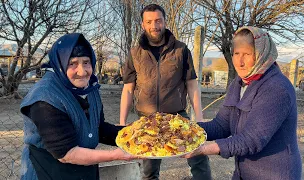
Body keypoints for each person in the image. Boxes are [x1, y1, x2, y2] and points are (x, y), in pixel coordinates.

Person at [184, 26, 302, 180]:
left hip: (275, 174)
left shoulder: (277, 88)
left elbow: (252, 139)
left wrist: (205, 149)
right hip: (244, 173)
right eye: (236, 53)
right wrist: (184, 130)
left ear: (261, 54)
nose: (239, 62)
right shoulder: (238, 83)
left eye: (247, 54)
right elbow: (221, 125)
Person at [20, 33, 135, 180]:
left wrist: (134, 133)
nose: (82, 71)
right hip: (48, 171)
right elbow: (67, 154)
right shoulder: (44, 98)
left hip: (83, 171)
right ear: (60, 64)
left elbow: (98, 128)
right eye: (72, 63)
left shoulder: (89, 88)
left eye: (86, 62)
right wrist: (117, 155)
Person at [120, 4, 212, 180]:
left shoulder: (181, 50)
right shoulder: (135, 53)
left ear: (164, 22)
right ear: (143, 24)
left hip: (177, 116)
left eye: (158, 21)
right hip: (147, 119)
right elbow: (128, 89)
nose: (154, 26)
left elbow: (192, 85)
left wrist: (199, 119)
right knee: (148, 170)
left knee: (199, 158)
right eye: (149, 22)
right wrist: (122, 122)